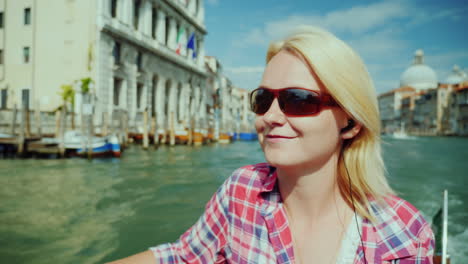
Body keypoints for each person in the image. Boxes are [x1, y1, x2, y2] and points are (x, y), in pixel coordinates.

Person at [108, 26, 434, 264]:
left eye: (298, 100)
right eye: (262, 99)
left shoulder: (405, 233)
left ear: (349, 121)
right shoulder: (241, 191)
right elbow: (181, 256)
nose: (270, 117)